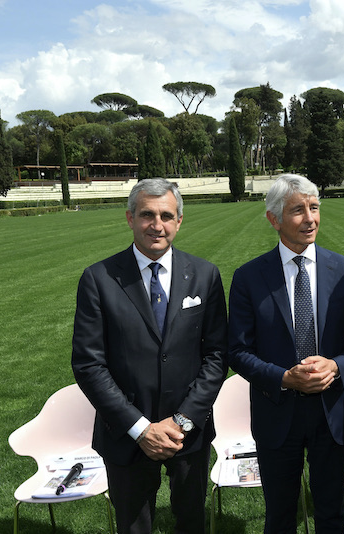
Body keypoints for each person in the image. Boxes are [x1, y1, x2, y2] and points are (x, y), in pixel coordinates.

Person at [72, 178, 228, 534]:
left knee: (191, 522)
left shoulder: (204, 275)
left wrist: (182, 421)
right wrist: (141, 429)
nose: (157, 225)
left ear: (179, 221)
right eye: (147, 215)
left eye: (166, 215)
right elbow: (88, 363)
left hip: (189, 433)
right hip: (126, 432)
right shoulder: (98, 278)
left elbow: (217, 356)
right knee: (133, 527)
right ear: (129, 218)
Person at [227, 174, 344, 533]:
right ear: (274, 219)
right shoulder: (249, 278)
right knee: (279, 515)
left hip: (332, 412)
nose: (310, 218)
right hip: (277, 414)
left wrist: (336, 366)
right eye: (298, 210)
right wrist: (283, 377)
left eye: (314, 207)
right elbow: (237, 350)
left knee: (331, 512)